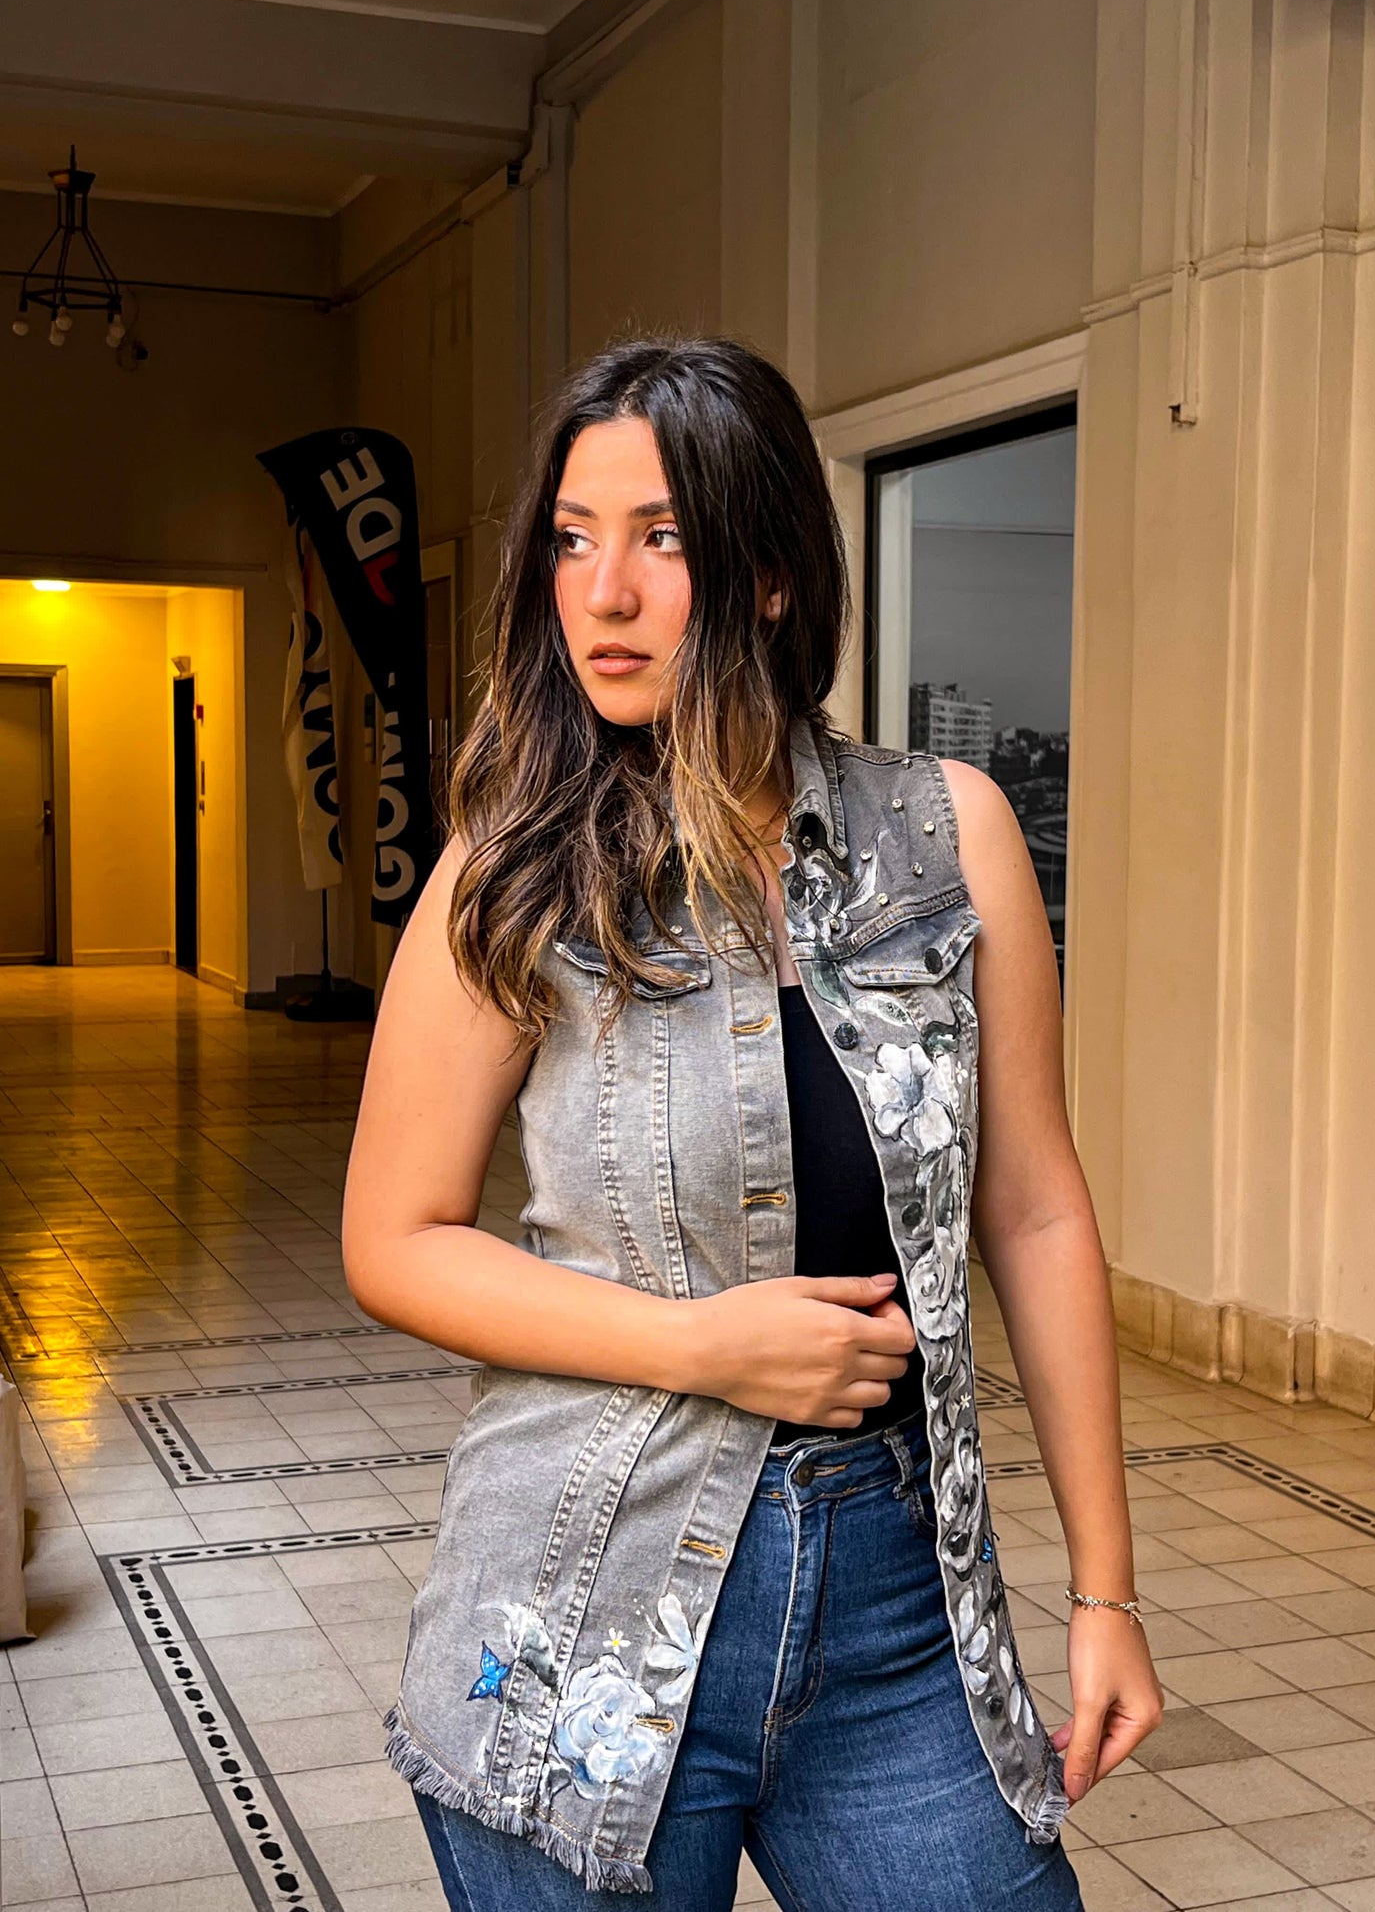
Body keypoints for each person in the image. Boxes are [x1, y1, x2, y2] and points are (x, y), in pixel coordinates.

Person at [341, 336, 1163, 1910]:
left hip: (890, 1609)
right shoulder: (511, 865)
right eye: (574, 541)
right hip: (576, 1610)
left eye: (660, 537)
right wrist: (703, 1346)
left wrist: (1104, 1592)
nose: (604, 592)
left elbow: (1036, 1209)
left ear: (773, 571)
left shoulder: (949, 833)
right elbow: (393, 1240)